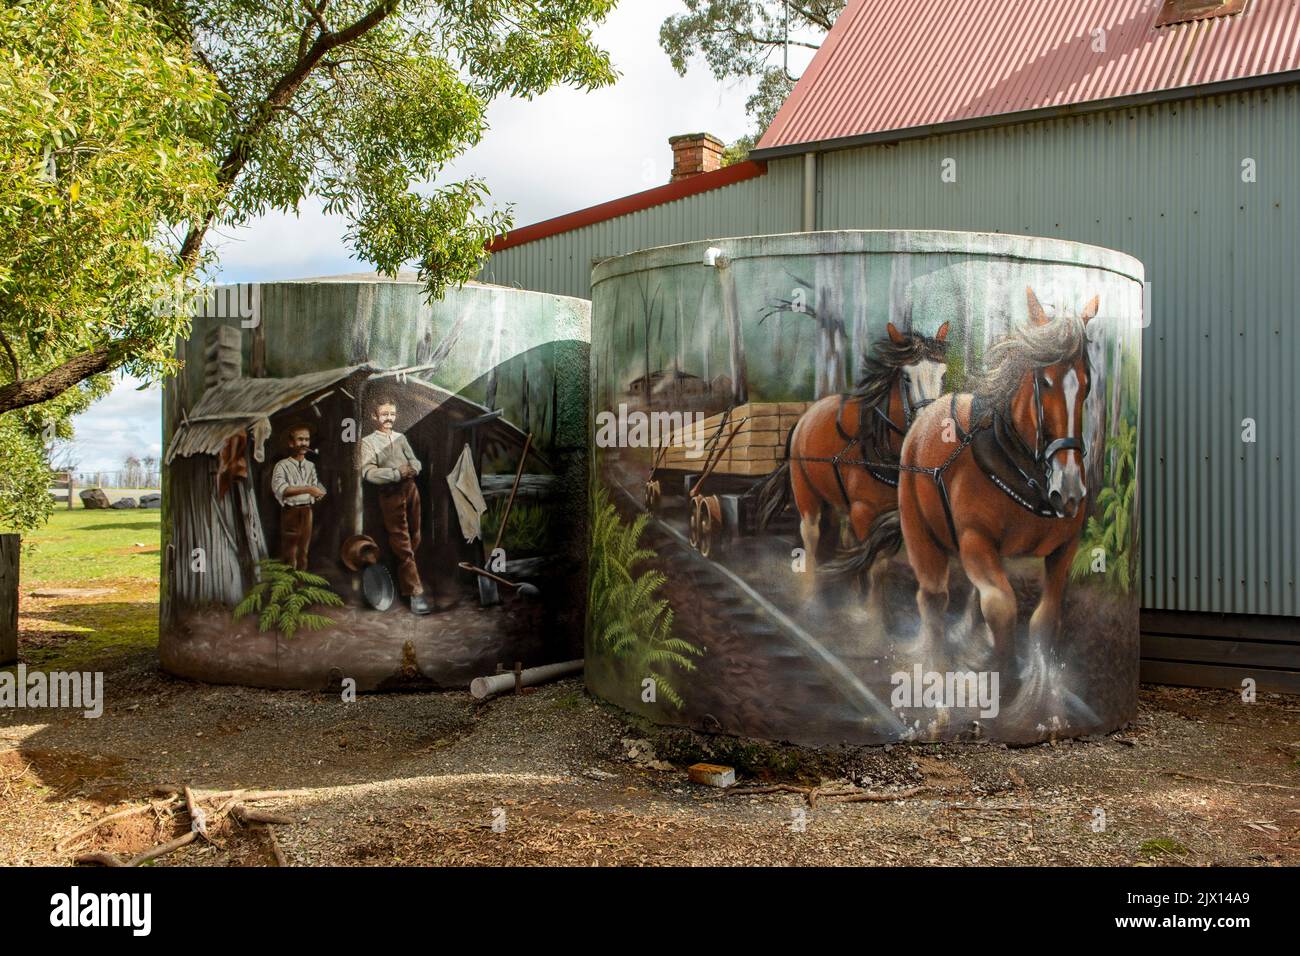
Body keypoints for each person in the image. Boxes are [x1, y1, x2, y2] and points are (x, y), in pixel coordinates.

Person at [360, 396, 430, 615]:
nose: (388, 418)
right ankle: (415, 593)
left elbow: (415, 461)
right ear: (375, 416)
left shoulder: (401, 437)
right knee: (402, 541)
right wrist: (395, 473)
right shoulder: (368, 442)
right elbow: (368, 473)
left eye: (392, 414)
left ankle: (404, 570)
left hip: (411, 489)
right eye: (384, 414)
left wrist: (413, 469)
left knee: (415, 536)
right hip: (390, 493)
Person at [271, 424, 325, 570]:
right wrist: (308, 489)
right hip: (291, 512)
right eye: (300, 439)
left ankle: (300, 587)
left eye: (307, 440)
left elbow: (315, 486)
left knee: (303, 553)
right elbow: (282, 490)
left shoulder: (310, 466)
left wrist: (318, 493)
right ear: (291, 443)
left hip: (307, 512)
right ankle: (289, 587)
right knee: (290, 553)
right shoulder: (282, 466)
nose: (304, 443)